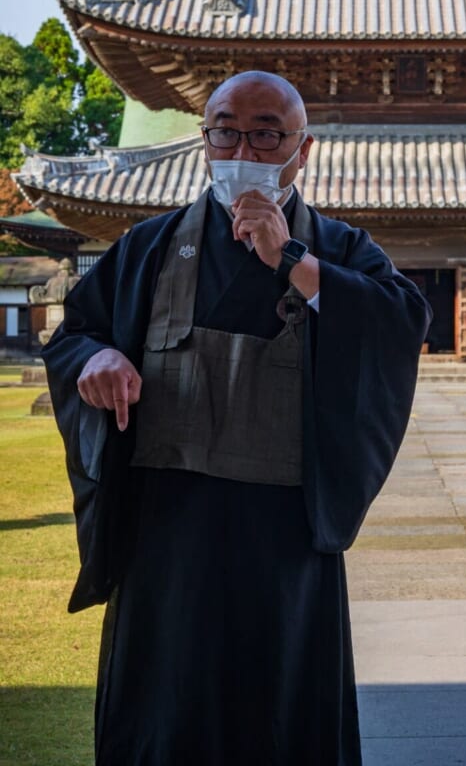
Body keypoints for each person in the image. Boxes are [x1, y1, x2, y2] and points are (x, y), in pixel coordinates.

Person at [43, 71, 431, 766]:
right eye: (224, 128)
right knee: (166, 704)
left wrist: (291, 259)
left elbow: (400, 324)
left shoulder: (337, 248)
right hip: (166, 522)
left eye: (264, 132)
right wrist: (95, 358)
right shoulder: (151, 245)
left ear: (301, 150)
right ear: (203, 139)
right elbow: (73, 332)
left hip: (281, 524)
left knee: (276, 708)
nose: (241, 146)